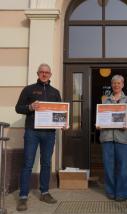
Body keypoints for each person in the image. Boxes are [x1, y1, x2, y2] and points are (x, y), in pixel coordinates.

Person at [15, 63, 62, 211]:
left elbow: (60, 112)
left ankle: (45, 192)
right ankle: (23, 196)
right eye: (41, 72)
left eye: (47, 72)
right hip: (32, 132)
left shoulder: (55, 92)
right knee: (27, 164)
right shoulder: (28, 89)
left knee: (46, 163)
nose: (44, 74)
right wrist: (29, 107)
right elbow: (18, 108)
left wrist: (63, 122)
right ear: (37, 73)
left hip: (49, 133)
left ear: (50, 75)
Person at [98, 75, 127, 202]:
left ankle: (123, 193)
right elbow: (101, 117)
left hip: (124, 138)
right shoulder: (105, 101)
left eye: (118, 83)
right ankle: (110, 191)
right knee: (109, 166)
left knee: (124, 166)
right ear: (111, 85)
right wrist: (98, 124)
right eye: (114, 83)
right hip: (107, 137)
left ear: (123, 84)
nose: (116, 85)